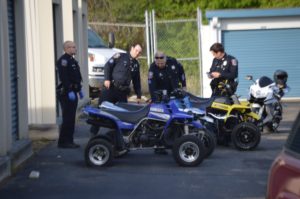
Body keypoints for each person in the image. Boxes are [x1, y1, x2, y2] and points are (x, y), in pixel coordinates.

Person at [95, 44, 142, 155]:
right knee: (100, 112)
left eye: (140, 52)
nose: (138, 53)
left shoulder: (136, 64)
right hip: (110, 89)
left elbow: (137, 81)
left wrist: (139, 95)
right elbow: (107, 66)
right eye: (136, 50)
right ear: (132, 48)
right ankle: (93, 138)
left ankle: (121, 143)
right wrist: (106, 79)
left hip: (122, 93)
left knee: (123, 118)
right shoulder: (120, 56)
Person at [148, 51, 186, 154]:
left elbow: (182, 71)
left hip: (175, 94)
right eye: (158, 63)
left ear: (165, 59)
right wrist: (154, 99)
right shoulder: (152, 68)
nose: (160, 65)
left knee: (179, 117)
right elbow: (151, 85)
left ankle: (179, 141)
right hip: (162, 96)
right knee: (160, 120)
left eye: (162, 63)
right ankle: (159, 145)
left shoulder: (173, 62)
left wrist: (184, 85)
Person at [56, 41, 84, 148]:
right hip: (66, 93)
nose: (75, 49)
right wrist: (69, 90)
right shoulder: (63, 61)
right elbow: (64, 77)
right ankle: (63, 142)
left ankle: (69, 140)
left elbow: (76, 76)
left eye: (75, 46)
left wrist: (79, 89)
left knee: (71, 118)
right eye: (73, 47)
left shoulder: (72, 60)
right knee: (67, 118)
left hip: (73, 91)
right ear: (67, 48)